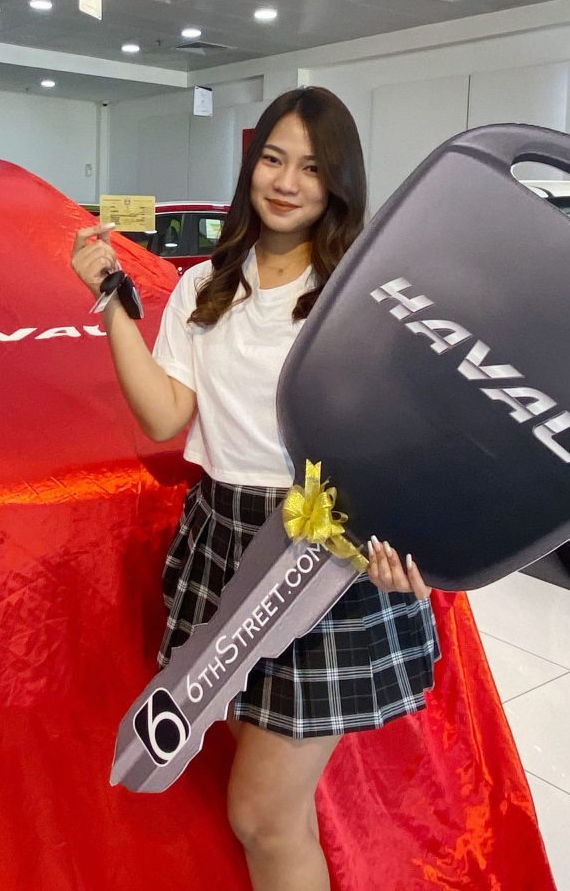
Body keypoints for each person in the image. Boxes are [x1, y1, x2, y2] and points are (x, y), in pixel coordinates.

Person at [71, 87, 439, 891]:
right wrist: (112, 308)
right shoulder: (209, 283)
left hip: (323, 558)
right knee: (277, 813)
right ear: (251, 165)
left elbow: (405, 439)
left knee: (262, 813)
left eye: (311, 167)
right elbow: (168, 414)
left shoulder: (361, 294)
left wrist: (400, 541)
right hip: (224, 540)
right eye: (273, 157)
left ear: (337, 182)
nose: (286, 180)